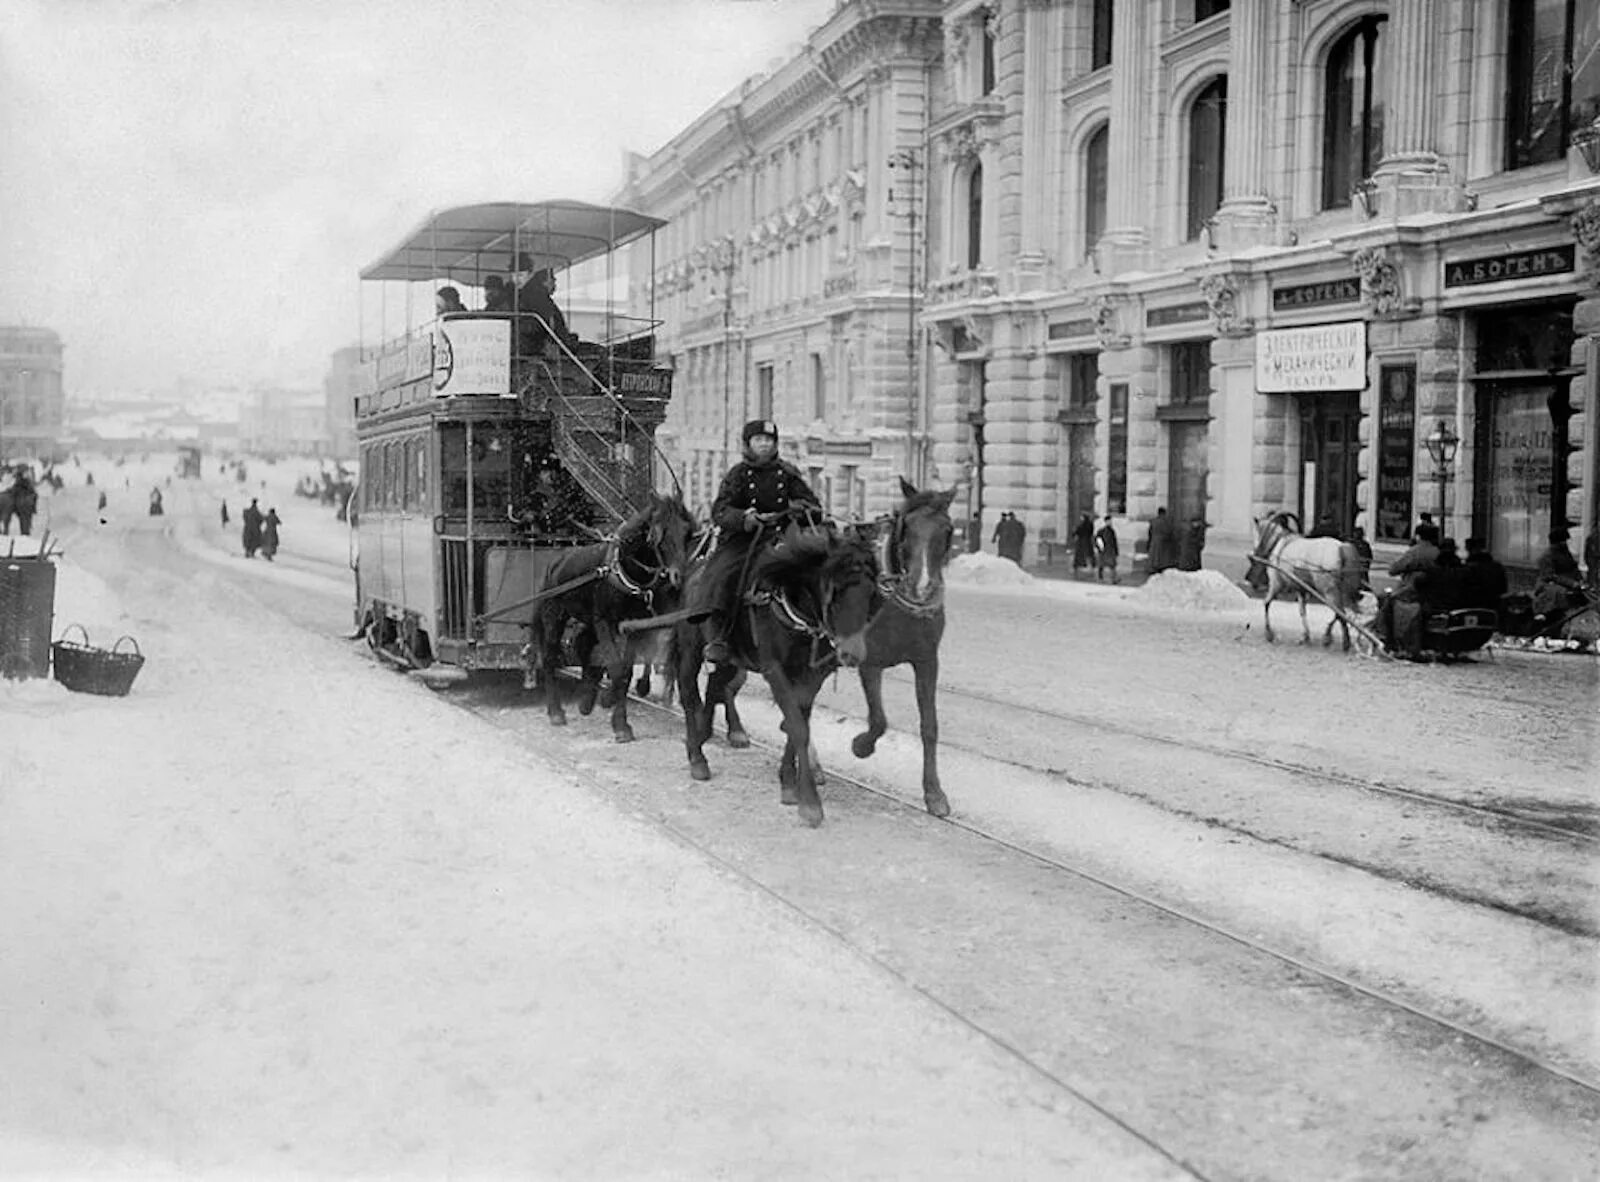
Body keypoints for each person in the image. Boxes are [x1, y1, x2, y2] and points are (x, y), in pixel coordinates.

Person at [690, 418, 820, 664]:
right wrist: (745, 518)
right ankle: (719, 635)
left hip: (782, 536)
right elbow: (720, 511)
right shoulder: (738, 474)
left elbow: (814, 508)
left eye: (769, 440)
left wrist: (801, 509)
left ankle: (825, 628)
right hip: (743, 540)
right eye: (759, 440)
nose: (764, 444)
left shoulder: (788, 473)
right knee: (722, 574)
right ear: (748, 444)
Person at [1379, 522, 1440, 659]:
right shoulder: (1438, 552)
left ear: (1418, 536)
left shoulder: (1415, 552)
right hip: (1431, 592)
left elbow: (1393, 569)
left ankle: (1388, 637)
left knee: (1386, 599)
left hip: (1412, 591)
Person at [511, 256, 578, 358]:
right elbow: (552, 322)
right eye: (514, 275)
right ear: (546, 282)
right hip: (534, 347)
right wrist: (567, 343)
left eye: (520, 275)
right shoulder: (536, 295)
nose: (516, 280)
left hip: (525, 344)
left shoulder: (525, 293)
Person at [1532, 527, 1584, 622]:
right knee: (1559, 592)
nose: (1565, 543)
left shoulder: (1565, 553)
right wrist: (1571, 583)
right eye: (1563, 541)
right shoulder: (1547, 556)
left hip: (1568, 581)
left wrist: (1580, 580)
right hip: (1549, 584)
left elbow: (1573, 568)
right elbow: (1550, 576)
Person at [1461, 536, 1508, 612]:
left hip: (1473, 605)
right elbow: (1503, 587)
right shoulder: (1496, 566)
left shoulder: (1468, 568)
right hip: (1494, 604)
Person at [1146, 507, 1177, 575]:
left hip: (1154, 540)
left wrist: (1149, 542)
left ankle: (1153, 567)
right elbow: (1169, 531)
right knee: (1162, 556)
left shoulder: (1154, 521)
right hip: (1163, 541)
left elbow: (1150, 532)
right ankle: (1160, 567)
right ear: (1164, 513)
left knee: (1154, 555)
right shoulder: (1166, 521)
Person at [1094, 515, 1120, 584]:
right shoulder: (1101, 531)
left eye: (1110, 521)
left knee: (1112, 565)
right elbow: (1097, 540)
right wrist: (1100, 548)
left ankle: (1114, 578)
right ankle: (1100, 578)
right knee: (1101, 565)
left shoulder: (1112, 531)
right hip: (1104, 550)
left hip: (1110, 550)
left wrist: (1116, 551)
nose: (1110, 522)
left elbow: (1114, 541)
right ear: (1106, 521)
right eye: (1109, 521)